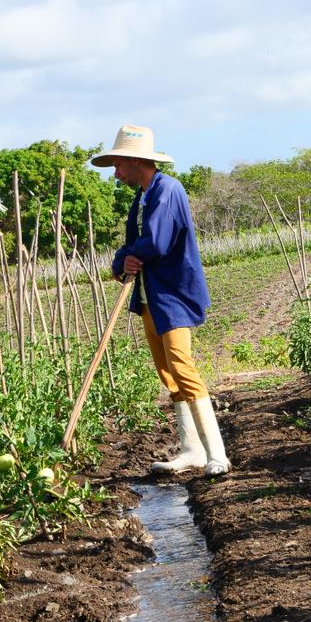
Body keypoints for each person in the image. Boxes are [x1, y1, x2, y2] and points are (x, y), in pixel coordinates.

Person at [91, 124, 230, 477]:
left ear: (137, 161)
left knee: (183, 366)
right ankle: (191, 451)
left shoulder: (167, 190)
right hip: (150, 295)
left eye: (119, 165)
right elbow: (130, 246)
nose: (116, 173)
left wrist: (131, 256)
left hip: (173, 293)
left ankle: (217, 455)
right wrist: (121, 262)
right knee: (168, 373)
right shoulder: (141, 197)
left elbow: (156, 241)